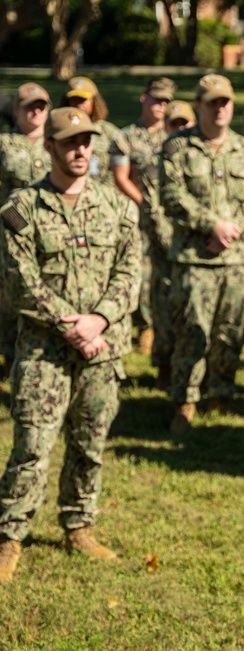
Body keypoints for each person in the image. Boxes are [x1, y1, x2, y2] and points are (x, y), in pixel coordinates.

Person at [0, 107, 141, 582]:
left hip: (102, 349)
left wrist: (98, 320)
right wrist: (71, 325)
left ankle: (78, 525)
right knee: (31, 448)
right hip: (45, 351)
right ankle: (10, 536)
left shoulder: (118, 207)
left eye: (86, 141)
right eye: (69, 142)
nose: (80, 150)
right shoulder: (21, 209)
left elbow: (129, 272)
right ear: (49, 148)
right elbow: (20, 282)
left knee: (90, 444)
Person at [159, 74, 244, 432]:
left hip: (236, 258)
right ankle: (185, 400)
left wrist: (233, 230)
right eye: (213, 102)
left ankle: (221, 391)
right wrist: (212, 226)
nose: (220, 108)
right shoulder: (177, 147)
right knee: (192, 329)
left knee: (229, 331)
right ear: (199, 105)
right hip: (194, 257)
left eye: (226, 102)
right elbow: (172, 196)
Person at [110, 77, 177, 357]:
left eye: (166, 101)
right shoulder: (125, 137)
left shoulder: (176, 135)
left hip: (170, 220)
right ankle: (142, 328)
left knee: (166, 277)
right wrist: (147, 204)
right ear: (143, 99)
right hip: (136, 219)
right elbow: (120, 177)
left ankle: (163, 331)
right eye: (156, 99)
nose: (161, 105)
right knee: (139, 275)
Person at [142, 100, 196, 391]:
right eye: (175, 124)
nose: (181, 129)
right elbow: (152, 212)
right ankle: (164, 368)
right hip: (167, 253)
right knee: (164, 314)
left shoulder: (197, 163)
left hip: (194, 252)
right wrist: (172, 245)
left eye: (185, 124)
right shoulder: (154, 166)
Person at [0, 83, 52, 377]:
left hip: (50, 236)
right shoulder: (4, 143)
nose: (35, 111)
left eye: (41, 106)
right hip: (8, 236)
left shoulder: (59, 142)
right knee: (7, 299)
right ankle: (8, 360)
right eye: (29, 106)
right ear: (16, 109)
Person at [59, 77, 118, 187]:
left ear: (94, 102)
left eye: (83, 100)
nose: (78, 104)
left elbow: (118, 170)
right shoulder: (58, 131)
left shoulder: (109, 132)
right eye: (74, 99)